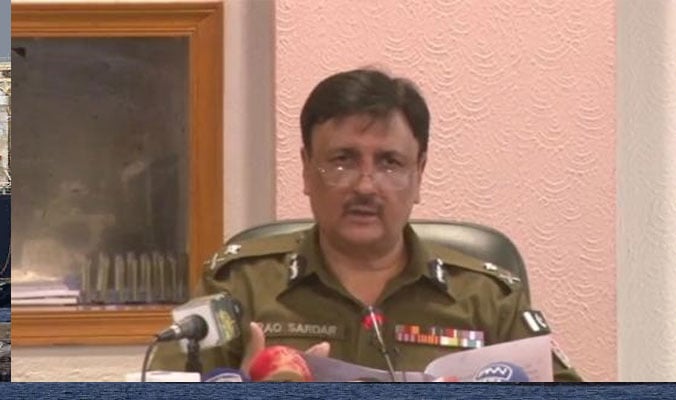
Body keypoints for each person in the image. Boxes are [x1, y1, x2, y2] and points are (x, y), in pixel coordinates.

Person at [149, 68, 581, 382]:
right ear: (306, 169)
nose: (365, 185)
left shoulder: (487, 298)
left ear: (419, 173)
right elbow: (164, 382)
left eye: (390, 163)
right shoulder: (238, 285)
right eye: (343, 160)